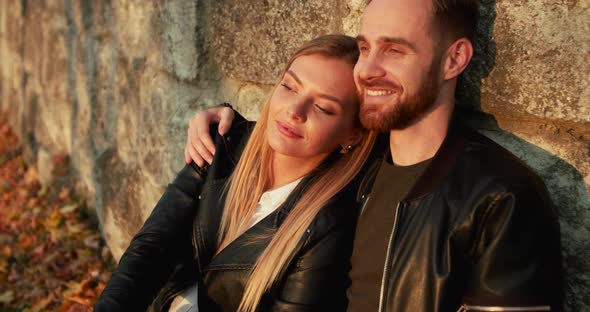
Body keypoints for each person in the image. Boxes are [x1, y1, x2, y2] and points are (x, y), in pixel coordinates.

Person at [184, 0, 564, 311]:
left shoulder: (500, 198)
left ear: (455, 59)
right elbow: (296, 132)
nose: (366, 70)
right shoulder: (355, 166)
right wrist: (226, 122)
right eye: (365, 47)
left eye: (394, 50)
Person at [94, 35, 379, 312]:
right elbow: (150, 250)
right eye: (290, 87)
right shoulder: (223, 144)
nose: (294, 110)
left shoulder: (329, 223)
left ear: (353, 135)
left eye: (323, 107)